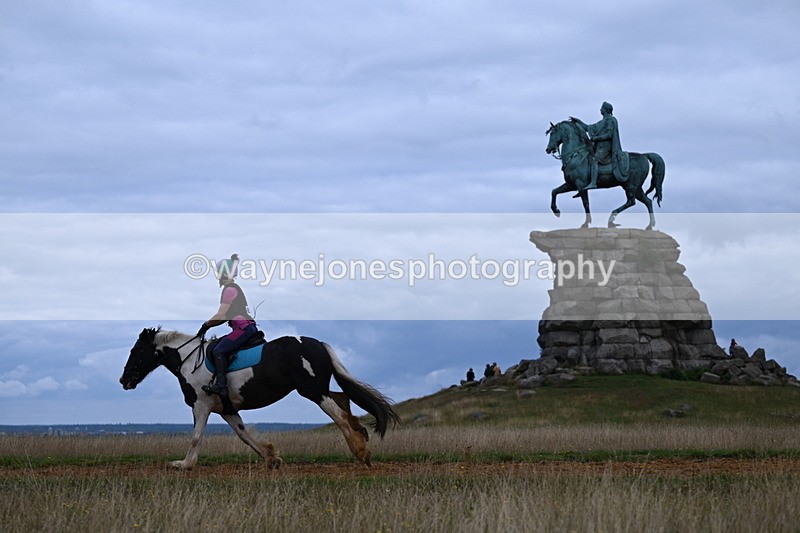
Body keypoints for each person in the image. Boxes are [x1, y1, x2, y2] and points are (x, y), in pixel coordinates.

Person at [198, 254, 259, 397]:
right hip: (247, 326)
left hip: (242, 328)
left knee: (218, 350)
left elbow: (221, 315)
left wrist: (206, 325)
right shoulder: (233, 288)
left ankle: (221, 385)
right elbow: (224, 317)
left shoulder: (229, 289)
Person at [570, 101, 629, 193]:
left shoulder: (610, 120)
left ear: (605, 110)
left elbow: (609, 134)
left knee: (594, 159)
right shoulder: (602, 122)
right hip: (599, 146)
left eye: (602, 108)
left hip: (606, 147)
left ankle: (593, 182)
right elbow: (588, 128)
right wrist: (578, 122)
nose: (600, 109)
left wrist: (596, 138)